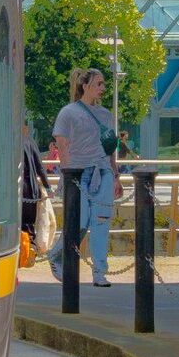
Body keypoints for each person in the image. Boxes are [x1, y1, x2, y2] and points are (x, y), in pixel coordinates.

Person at [47, 67, 123, 286]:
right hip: (78, 173)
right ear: (85, 85)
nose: (103, 88)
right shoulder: (68, 112)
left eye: (104, 84)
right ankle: (57, 254)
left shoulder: (106, 115)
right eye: (99, 84)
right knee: (78, 220)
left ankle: (100, 272)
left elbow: (110, 148)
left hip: (103, 172)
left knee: (101, 221)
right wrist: (69, 174)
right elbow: (62, 146)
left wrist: (115, 176)